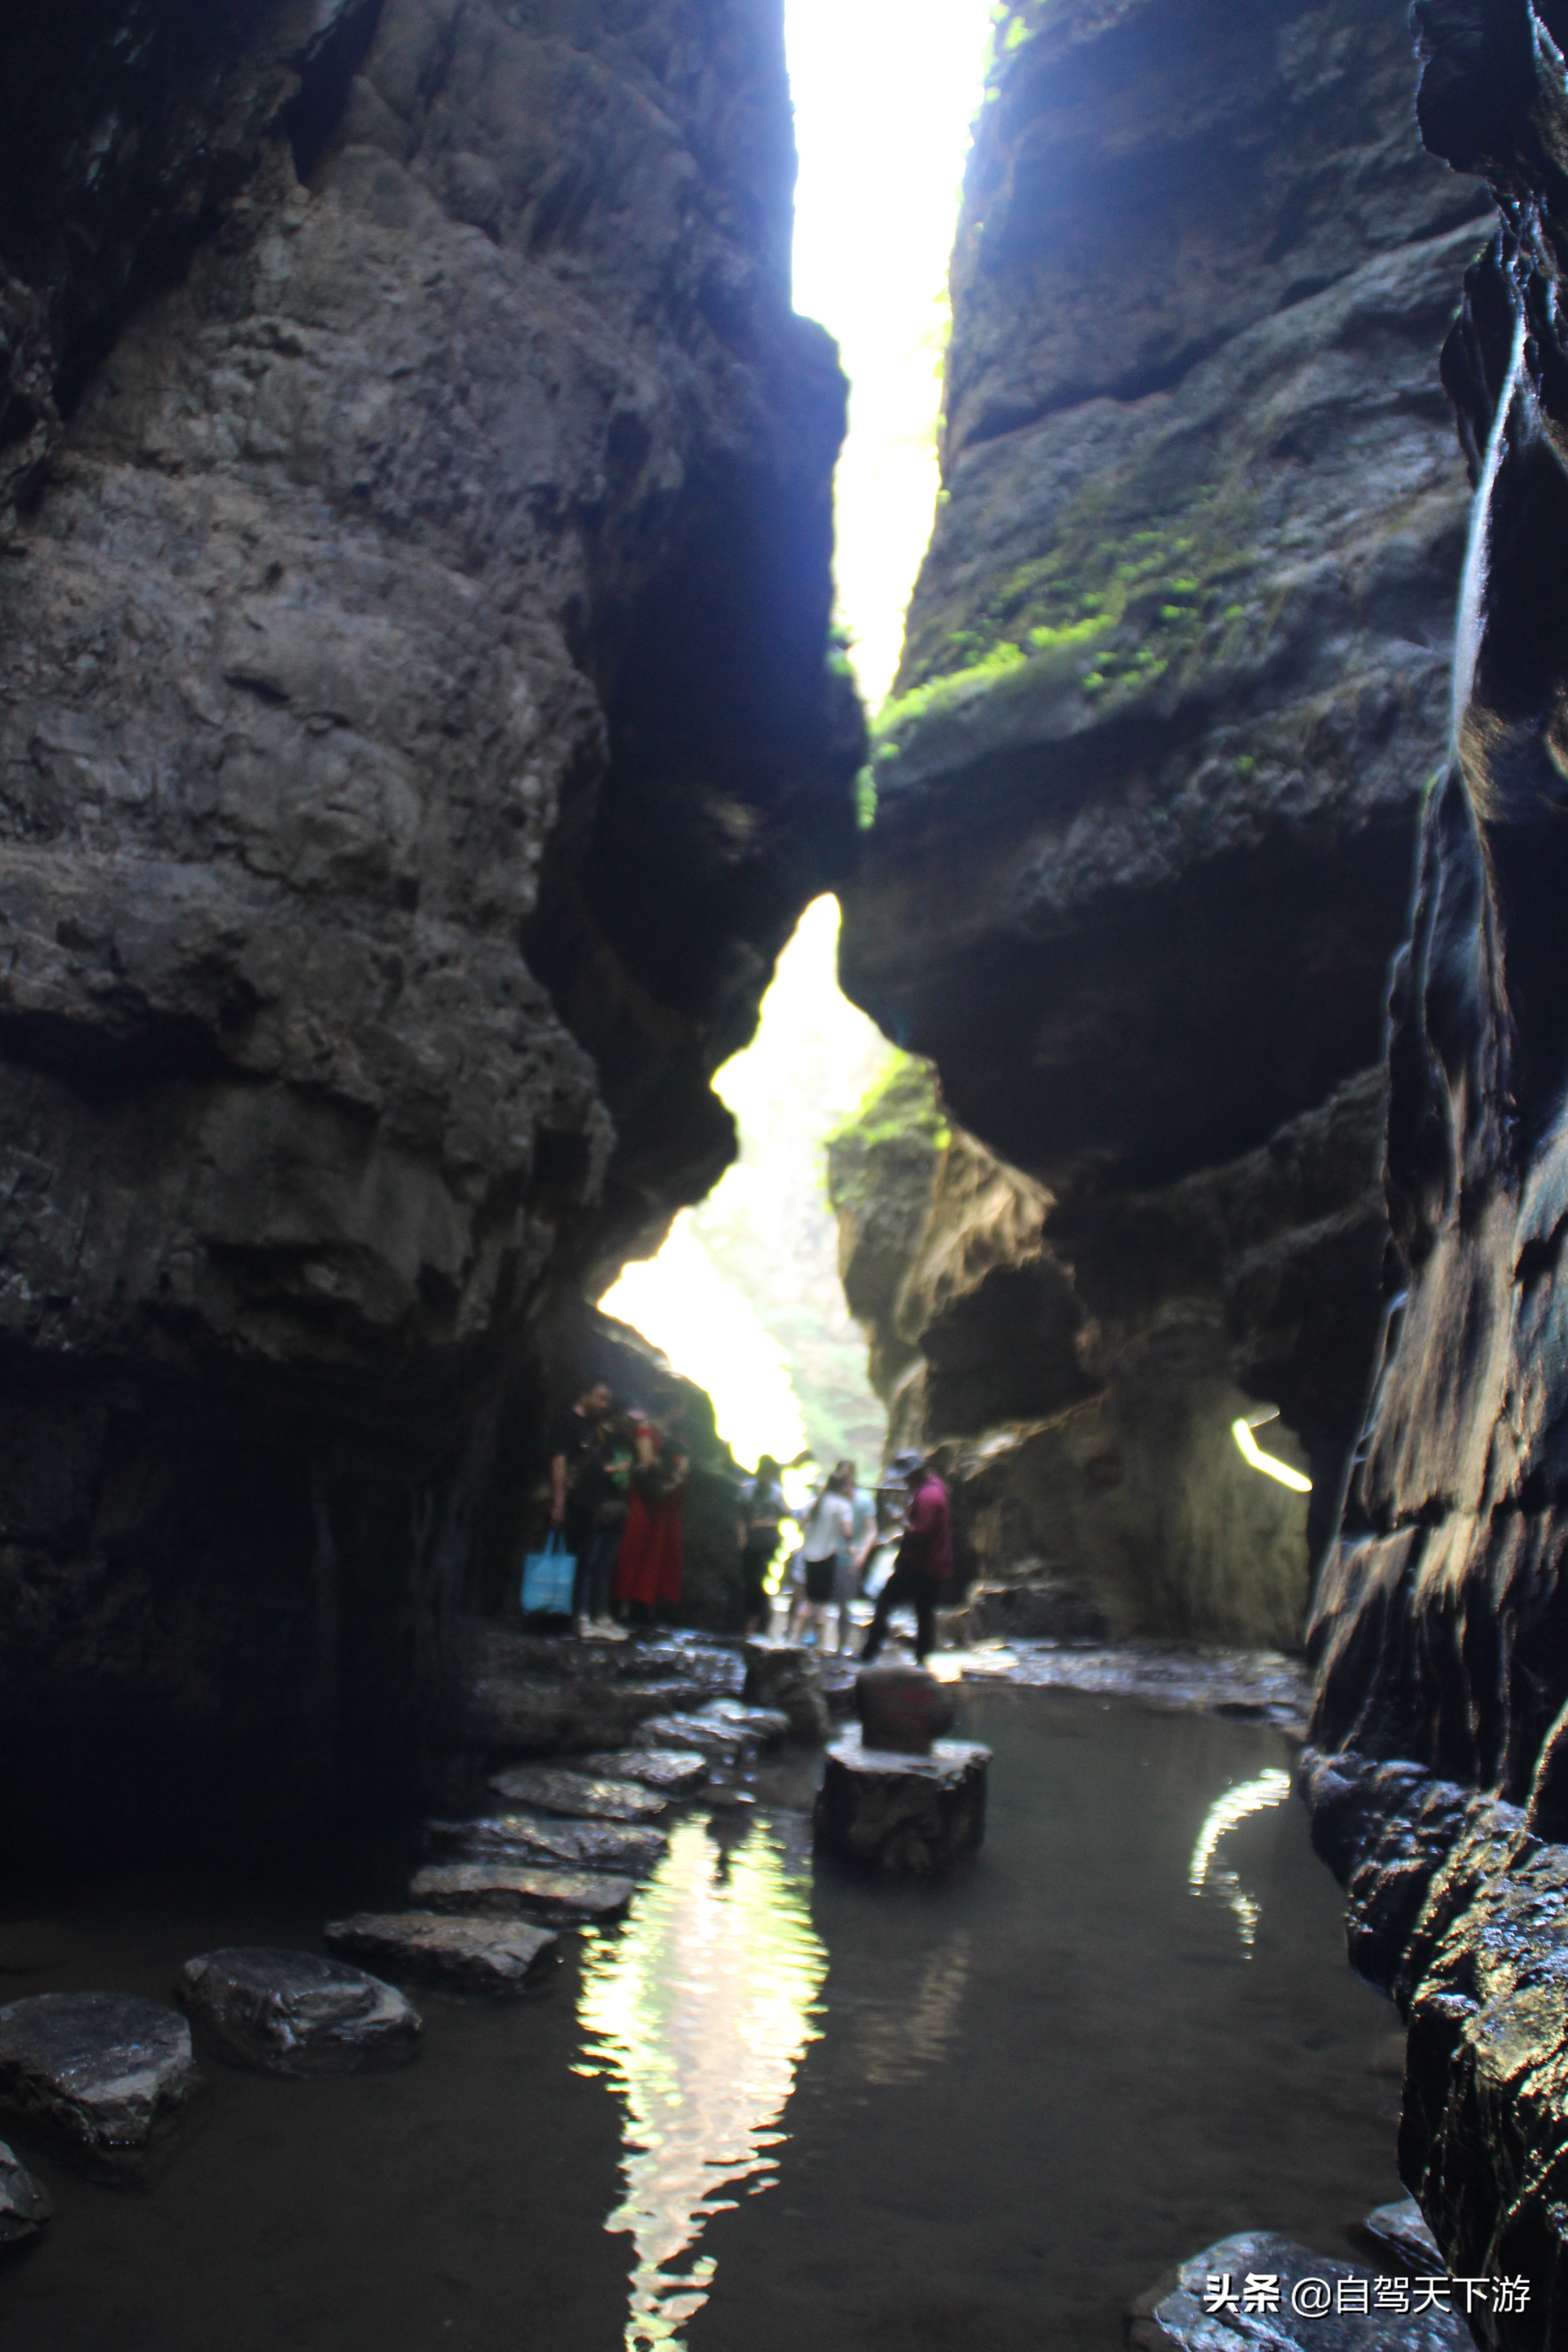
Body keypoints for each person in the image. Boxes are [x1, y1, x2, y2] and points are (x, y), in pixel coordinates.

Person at [547, 1381, 627, 1633]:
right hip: (573, 1501)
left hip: (591, 1503)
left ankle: (581, 1616)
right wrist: (559, 1503)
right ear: (584, 1395)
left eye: (607, 1401)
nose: (604, 1405)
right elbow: (558, 1462)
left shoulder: (593, 1429)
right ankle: (570, 1616)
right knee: (572, 1559)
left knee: (586, 1561)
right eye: (600, 1398)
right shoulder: (567, 1422)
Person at [860, 1450, 952, 1666]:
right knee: (924, 1612)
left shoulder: (927, 1497)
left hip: (920, 1565)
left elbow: (921, 1533)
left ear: (914, 1474)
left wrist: (903, 1522)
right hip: (934, 1565)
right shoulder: (935, 1489)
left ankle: (871, 1651)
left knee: (885, 1601)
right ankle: (923, 1658)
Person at [614, 1412, 687, 1626]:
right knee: (634, 1549)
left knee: (652, 1553)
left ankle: (642, 1602)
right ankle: (626, 1602)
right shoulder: (645, 1428)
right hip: (645, 1498)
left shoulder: (672, 1437)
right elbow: (647, 1461)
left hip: (661, 1501)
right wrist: (671, 1473)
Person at [790, 1463, 855, 1648]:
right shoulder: (842, 1506)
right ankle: (818, 1644)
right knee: (822, 1602)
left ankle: (796, 1637)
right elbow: (848, 1532)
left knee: (809, 1599)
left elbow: (802, 1523)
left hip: (809, 1556)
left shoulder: (815, 1503)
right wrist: (851, 1547)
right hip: (827, 1557)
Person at [736, 1454, 787, 1634]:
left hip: (768, 1543)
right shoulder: (748, 1489)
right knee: (748, 1581)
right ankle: (748, 1619)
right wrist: (742, 1534)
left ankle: (758, 1620)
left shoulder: (777, 1493)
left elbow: (785, 1516)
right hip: (751, 1543)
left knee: (760, 1581)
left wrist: (766, 1525)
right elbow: (741, 1515)